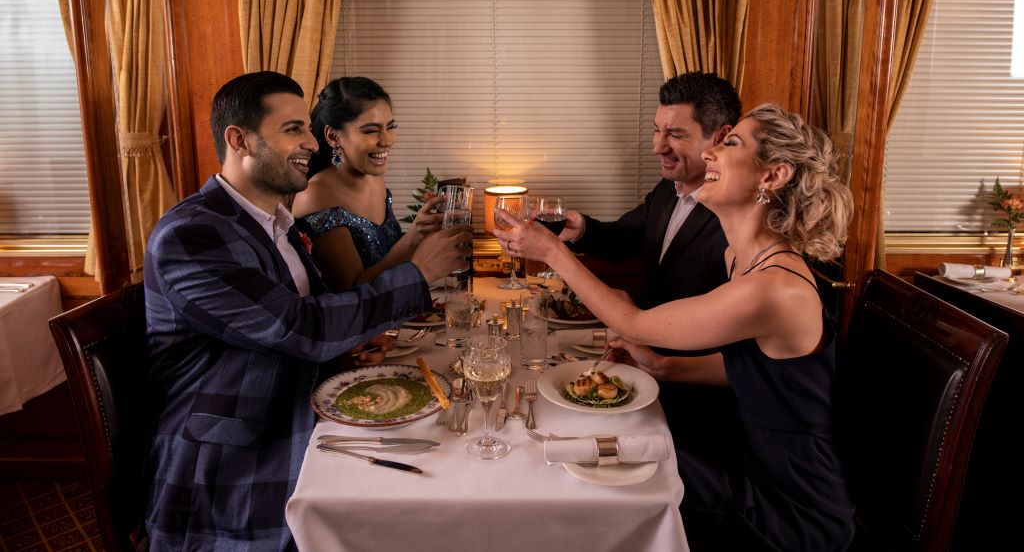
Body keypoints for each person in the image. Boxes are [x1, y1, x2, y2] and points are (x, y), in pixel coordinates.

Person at [496, 104, 856, 552]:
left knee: (599, 486)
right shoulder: (741, 259)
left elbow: (634, 323)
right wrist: (665, 367)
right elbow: (758, 369)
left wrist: (552, 253)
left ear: (772, 177)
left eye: (731, 143)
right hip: (745, 455)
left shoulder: (774, 288)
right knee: (594, 460)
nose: (711, 154)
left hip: (786, 500)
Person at [142, 71, 469, 551]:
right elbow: (297, 326)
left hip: (299, 404)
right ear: (239, 140)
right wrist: (418, 275)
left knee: (442, 467)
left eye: (308, 130)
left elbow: (305, 316)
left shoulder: (276, 222)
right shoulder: (191, 235)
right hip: (237, 455)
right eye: (294, 129)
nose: (312, 143)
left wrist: (344, 353)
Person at [558, 71, 742, 308]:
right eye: (657, 130)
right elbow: (625, 238)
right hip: (642, 340)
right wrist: (581, 229)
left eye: (674, 134)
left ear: (721, 137)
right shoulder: (668, 188)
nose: (657, 147)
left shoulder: (738, 212)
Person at [292, 76, 444, 291]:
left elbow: (387, 254)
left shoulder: (374, 177)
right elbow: (352, 293)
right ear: (333, 136)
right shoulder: (315, 196)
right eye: (371, 130)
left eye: (391, 127)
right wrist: (412, 239)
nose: (387, 140)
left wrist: (425, 231)